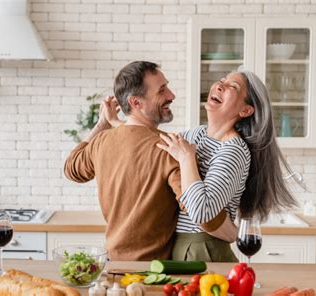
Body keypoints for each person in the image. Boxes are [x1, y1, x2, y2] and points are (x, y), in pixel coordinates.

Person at [63, 61, 228, 261]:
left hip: (112, 266)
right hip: (152, 274)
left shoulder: (101, 142)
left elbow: (71, 168)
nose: (171, 95)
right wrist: (235, 233)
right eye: (162, 91)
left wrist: (101, 125)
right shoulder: (169, 149)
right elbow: (203, 214)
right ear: (136, 102)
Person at [156, 70, 298, 261]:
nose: (220, 85)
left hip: (204, 250)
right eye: (222, 80)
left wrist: (187, 159)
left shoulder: (234, 151)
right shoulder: (196, 135)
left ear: (245, 110)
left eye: (232, 86)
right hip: (178, 246)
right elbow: (157, 153)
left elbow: (202, 212)